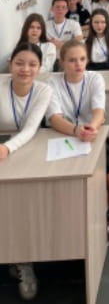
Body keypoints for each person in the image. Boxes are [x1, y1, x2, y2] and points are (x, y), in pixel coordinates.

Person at [47, 40, 109, 241]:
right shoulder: (52, 82)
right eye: (72, 60)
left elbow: (99, 111)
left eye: (82, 59)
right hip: (64, 138)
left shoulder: (95, 78)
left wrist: (92, 128)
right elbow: (54, 119)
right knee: (76, 184)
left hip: (93, 135)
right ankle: (89, 220)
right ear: (62, 62)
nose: (78, 64)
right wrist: (76, 130)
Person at [0, 43, 52, 301]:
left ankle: (24, 261)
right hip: (3, 148)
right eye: (20, 63)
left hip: (27, 148)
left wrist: (7, 148)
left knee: (23, 204)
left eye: (32, 64)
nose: (25, 69)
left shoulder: (44, 90)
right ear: (10, 63)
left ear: (40, 67)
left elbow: (31, 129)